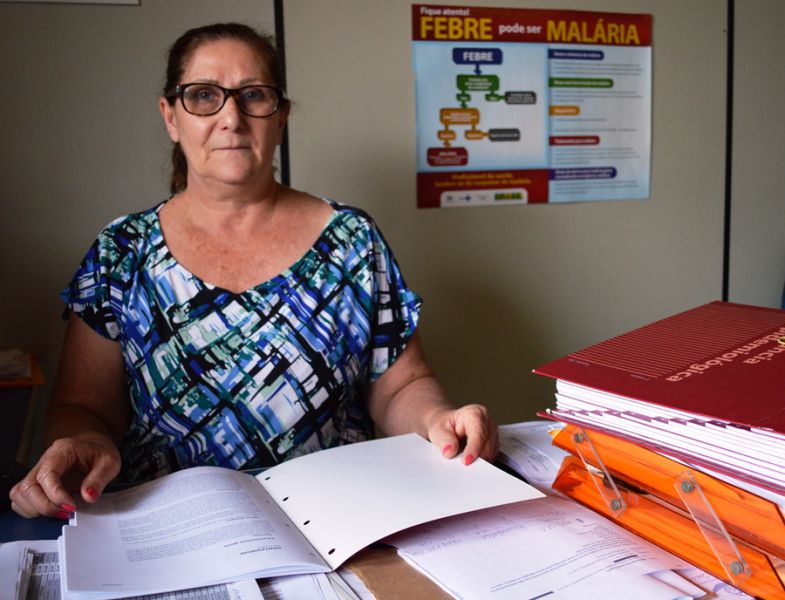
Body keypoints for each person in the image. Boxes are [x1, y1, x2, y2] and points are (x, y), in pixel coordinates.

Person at [10, 22, 498, 520]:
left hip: (335, 523)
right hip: (169, 530)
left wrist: (438, 418)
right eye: (204, 95)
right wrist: (87, 443)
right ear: (171, 117)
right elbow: (82, 408)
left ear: (280, 117)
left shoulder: (353, 239)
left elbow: (399, 386)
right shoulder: (122, 251)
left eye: (253, 95)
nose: (231, 117)